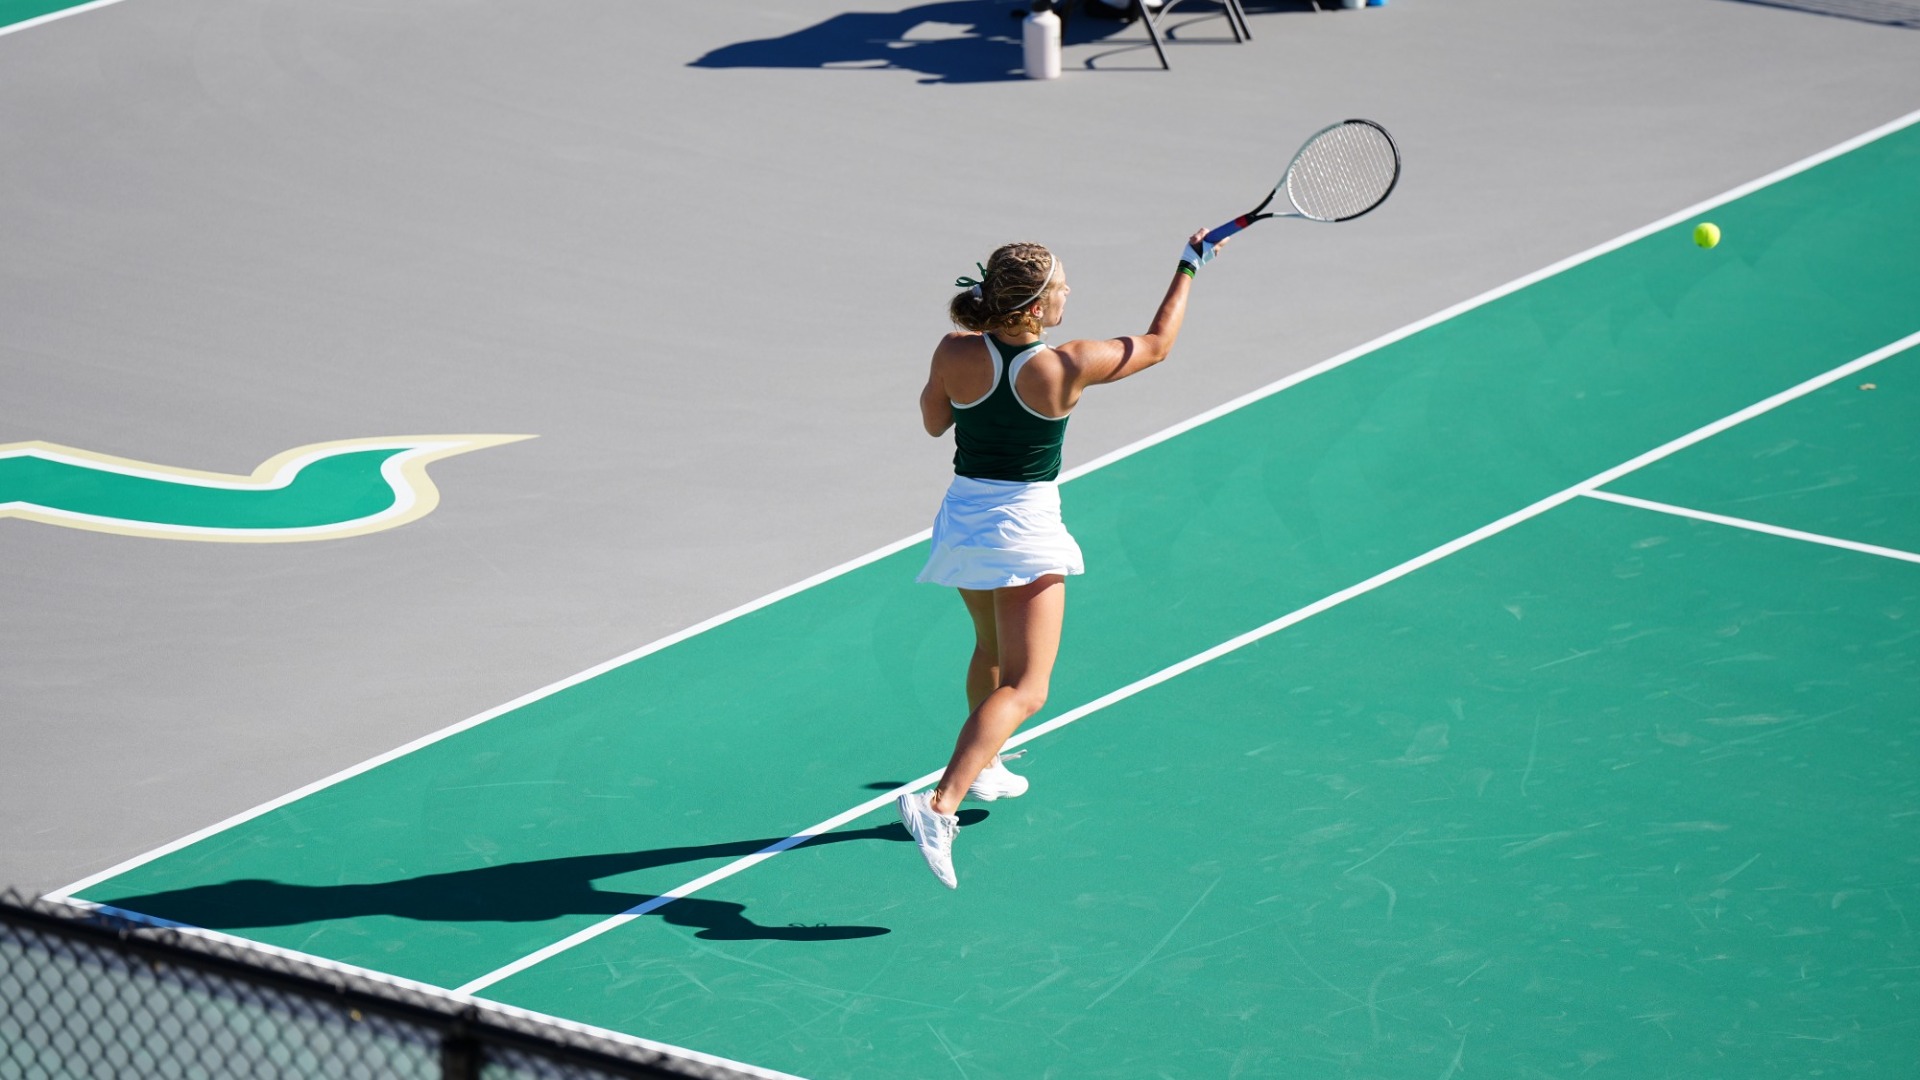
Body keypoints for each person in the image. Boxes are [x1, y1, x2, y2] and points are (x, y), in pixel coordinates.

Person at [897, 229, 1224, 888]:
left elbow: (935, 423)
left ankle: (984, 765)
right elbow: (1157, 346)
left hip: (962, 518)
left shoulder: (953, 350)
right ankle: (940, 805)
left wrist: (972, 400)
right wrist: (1189, 266)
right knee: (1029, 687)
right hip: (1022, 528)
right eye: (1062, 286)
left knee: (989, 649)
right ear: (1035, 307)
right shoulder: (1064, 365)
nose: (1071, 291)